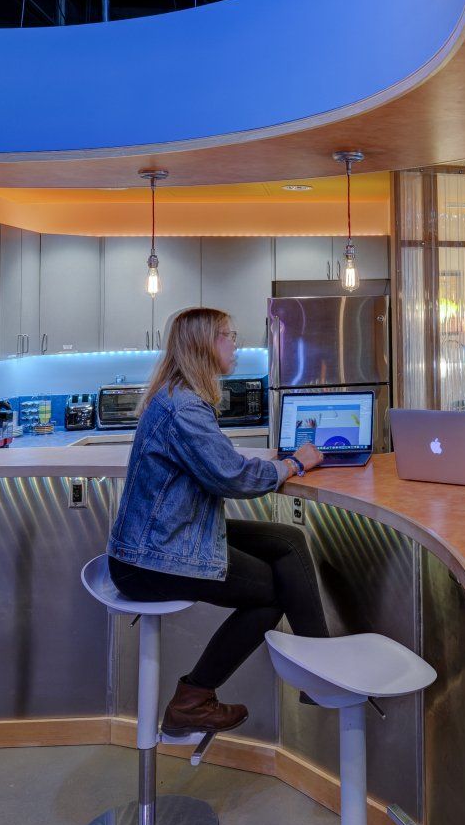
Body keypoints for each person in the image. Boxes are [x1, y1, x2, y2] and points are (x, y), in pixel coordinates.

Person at [107, 307, 327, 737]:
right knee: (270, 592)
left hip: (167, 539)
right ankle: (192, 699)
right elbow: (232, 476)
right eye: (228, 335)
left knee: (287, 540)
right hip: (150, 559)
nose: (236, 343)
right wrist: (294, 464)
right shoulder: (184, 406)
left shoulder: (180, 396)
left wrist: (279, 464)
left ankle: (317, 668)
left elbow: (219, 465)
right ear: (204, 345)